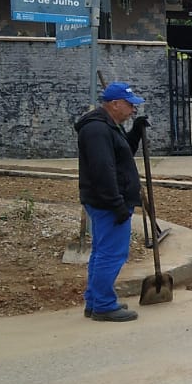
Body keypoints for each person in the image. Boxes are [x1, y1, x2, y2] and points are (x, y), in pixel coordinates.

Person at [75, 82, 150, 322]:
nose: (132, 111)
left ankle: (95, 301)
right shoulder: (97, 130)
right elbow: (102, 170)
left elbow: (122, 152)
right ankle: (104, 306)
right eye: (130, 106)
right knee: (111, 254)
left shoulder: (109, 126)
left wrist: (136, 131)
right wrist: (116, 204)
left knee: (101, 252)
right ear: (115, 104)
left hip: (106, 201)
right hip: (107, 203)